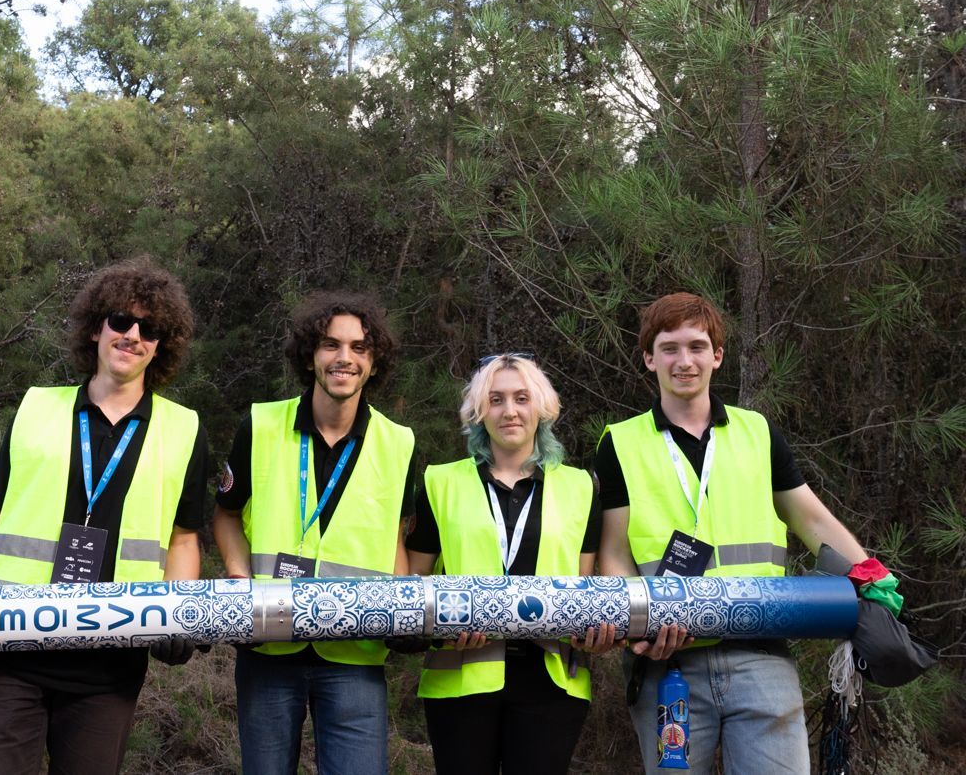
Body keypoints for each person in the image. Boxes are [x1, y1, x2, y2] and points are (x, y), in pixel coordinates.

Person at [0, 258, 210, 775]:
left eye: (149, 328)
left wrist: (179, 614)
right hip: (8, 651)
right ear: (97, 327)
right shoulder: (36, 409)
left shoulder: (185, 429)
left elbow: (184, 540)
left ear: (162, 343)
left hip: (108, 664)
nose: (132, 335)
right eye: (122, 321)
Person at [596, 292, 898, 774]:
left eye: (697, 346)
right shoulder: (620, 443)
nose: (684, 361)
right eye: (669, 348)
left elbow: (811, 520)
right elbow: (613, 552)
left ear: (717, 355)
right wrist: (641, 626)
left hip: (762, 655)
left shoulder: (757, 433)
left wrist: (871, 579)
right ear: (649, 357)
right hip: (669, 663)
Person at [213, 291, 418, 775]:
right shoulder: (260, 425)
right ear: (311, 355)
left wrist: (404, 610)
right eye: (330, 344)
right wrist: (241, 579)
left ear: (373, 362)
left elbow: (393, 539)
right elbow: (224, 515)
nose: (344, 357)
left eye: (359, 348)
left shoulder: (399, 442)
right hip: (267, 645)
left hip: (356, 651)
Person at [406, 353, 615, 774]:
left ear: (542, 407)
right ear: (479, 412)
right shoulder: (439, 482)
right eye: (496, 400)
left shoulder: (581, 488)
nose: (510, 411)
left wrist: (596, 635)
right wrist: (440, 635)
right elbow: (411, 583)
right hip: (459, 680)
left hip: (552, 683)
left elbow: (587, 585)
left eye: (522, 398)